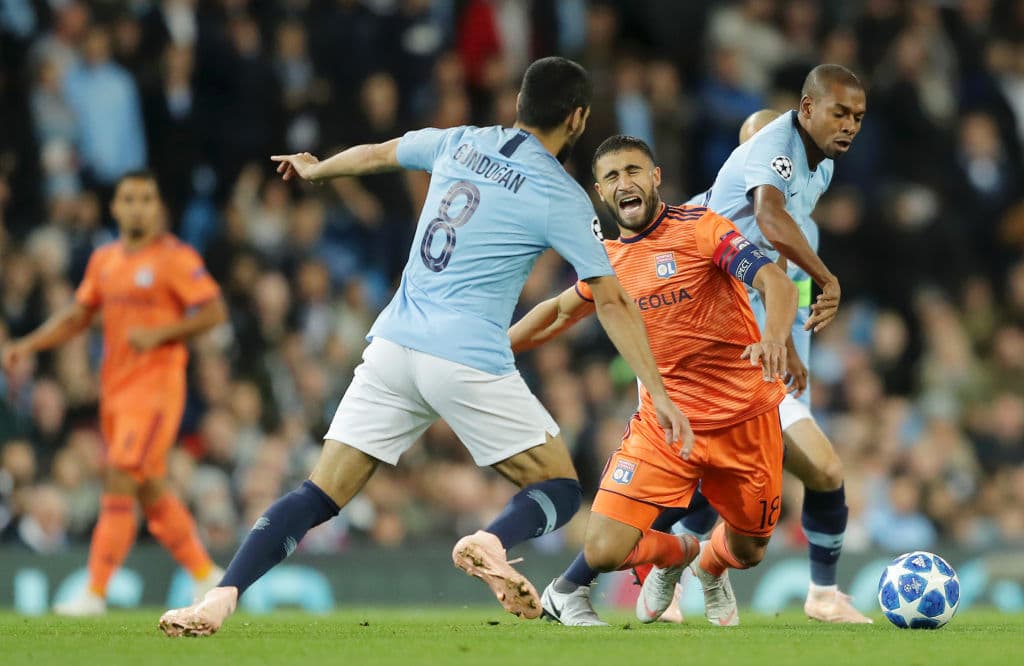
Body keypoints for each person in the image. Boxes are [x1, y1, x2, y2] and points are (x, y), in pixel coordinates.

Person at [158, 57, 688, 637]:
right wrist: (657, 392)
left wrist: (317, 170)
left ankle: (220, 596)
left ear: (519, 103)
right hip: (466, 356)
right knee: (558, 489)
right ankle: (491, 542)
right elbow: (611, 300)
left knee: (318, 492)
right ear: (578, 118)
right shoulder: (560, 195)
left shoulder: (458, 141)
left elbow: (378, 154)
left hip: (393, 345)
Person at [512, 134, 797, 627]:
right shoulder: (605, 263)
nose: (625, 182)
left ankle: (711, 566)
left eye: (633, 171)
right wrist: (494, 348)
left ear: (655, 177)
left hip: (744, 420)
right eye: (612, 176)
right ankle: (679, 553)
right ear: (601, 191)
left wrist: (773, 337)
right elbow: (557, 313)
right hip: (667, 424)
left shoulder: (702, 229)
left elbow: (776, 281)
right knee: (602, 548)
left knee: (749, 550)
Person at [667, 64, 871, 624]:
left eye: (857, 116)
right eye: (840, 113)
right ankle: (662, 576)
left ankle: (820, 594)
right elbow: (769, 220)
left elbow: (786, 271)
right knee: (736, 480)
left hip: (765, 357)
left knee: (809, 474)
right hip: (711, 346)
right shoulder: (724, 205)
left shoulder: (811, 192)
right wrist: (826, 280)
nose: (850, 125)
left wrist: (792, 342)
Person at [1, 171, 228, 615]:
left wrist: (161, 333)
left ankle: (95, 591)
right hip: (115, 391)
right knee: (149, 488)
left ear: (158, 208)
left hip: (156, 391)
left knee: (121, 475)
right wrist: (27, 345)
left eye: (146, 199)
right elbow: (76, 316)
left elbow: (214, 311)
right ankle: (206, 574)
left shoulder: (174, 258)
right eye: (129, 199)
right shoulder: (104, 260)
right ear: (115, 208)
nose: (138, 207)